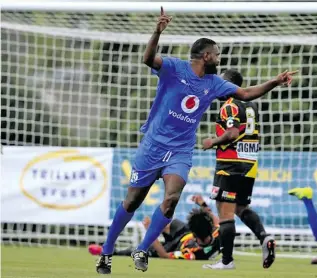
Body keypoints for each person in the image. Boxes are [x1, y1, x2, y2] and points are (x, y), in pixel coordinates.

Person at [95, 7, 296, 274]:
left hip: (180, 150)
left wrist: (275, 81)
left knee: (172, 198)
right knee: (132, 201)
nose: (220, 58)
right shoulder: (174, 68)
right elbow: (147, 59)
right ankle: (106, 252)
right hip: (154, 145)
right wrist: (157, 31)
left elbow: (246, 93)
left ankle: (142, 249)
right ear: (206, 55)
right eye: (217, 54)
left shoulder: (214, 83)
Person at [200, 69, 275, 270]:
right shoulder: (251, 105)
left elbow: (232, 133)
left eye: (221, 82)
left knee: (225, 211)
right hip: (250, 163)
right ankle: (264, 237)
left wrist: (212, 141)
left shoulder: (229, 105)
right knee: (241, 207)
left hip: (231, 163)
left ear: (230, 85)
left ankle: (226, 261)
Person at [90, 195, 220, 261]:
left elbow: (164, 255)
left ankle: (110, 251)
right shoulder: (217, 235)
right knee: (170, 223)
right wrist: (202, 204)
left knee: (148, 251)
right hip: (184, 234)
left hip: (175, 246)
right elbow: (213, 220)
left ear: (195, 235)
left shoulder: (191, 253)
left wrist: (151, 232)